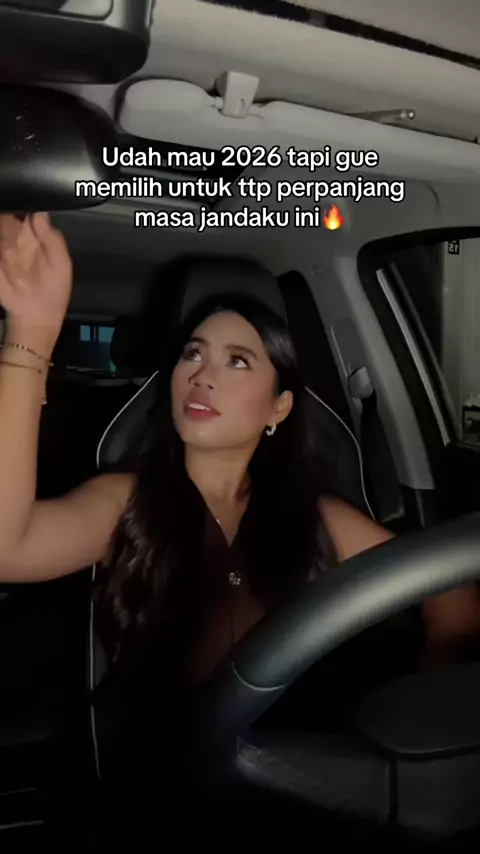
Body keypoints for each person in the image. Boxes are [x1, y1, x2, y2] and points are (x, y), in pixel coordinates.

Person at [1, 212, 480, 835]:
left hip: (308, 791)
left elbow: (449, 587)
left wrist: (433, 686)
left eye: (238, 361)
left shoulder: (320, 517)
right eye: (192, 354)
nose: (202, 375)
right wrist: (31, 335)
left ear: (278, 407)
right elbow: (9, 550)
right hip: (169, 804)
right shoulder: (125, 500)